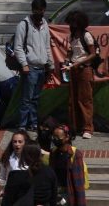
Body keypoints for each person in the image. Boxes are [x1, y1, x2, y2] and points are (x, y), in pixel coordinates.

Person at [14, 0, 54, 132]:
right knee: (27, 99)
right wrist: (24, 64)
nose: (40, 13)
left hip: (42, 68)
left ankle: (33, 123)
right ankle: (22, 125)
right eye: (37, 10)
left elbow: (47, 45)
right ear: (33, 10)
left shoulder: (45, 25)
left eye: (42, 10)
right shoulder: (23, 25)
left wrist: (50, 64)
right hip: (30, 68)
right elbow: (18, 47)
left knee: (36, 99)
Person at [64, 10, 96, 139]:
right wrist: (67, 61)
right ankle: (75, 126)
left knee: (85, 99)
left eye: (74, 22)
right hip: (73, 69)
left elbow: (93, 54)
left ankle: (87, 128)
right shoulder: (72, 36)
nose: (72, 25)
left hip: (84, 69)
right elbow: (71, 52)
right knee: (73, 99)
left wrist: (78, 63)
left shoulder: (86, 35)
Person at [50, 126, 87, 206]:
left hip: (68, 193)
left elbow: (79, 183)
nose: (55, 139)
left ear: (67, 137)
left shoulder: (75, 154)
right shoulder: (53, 153)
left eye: (58, 137)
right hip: (55, 192)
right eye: (53, 136)